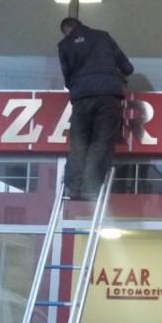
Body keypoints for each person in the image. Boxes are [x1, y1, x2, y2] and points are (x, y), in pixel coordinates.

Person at [58, 17, 134, 200]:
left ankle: (73, 187)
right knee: (102, 141)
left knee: (78, 144)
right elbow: (127, 68)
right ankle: (90, 188)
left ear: (66, 30)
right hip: (109, 95)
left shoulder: (65, 45)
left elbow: (67, 78)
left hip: (81, 98)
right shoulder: (103, 37)